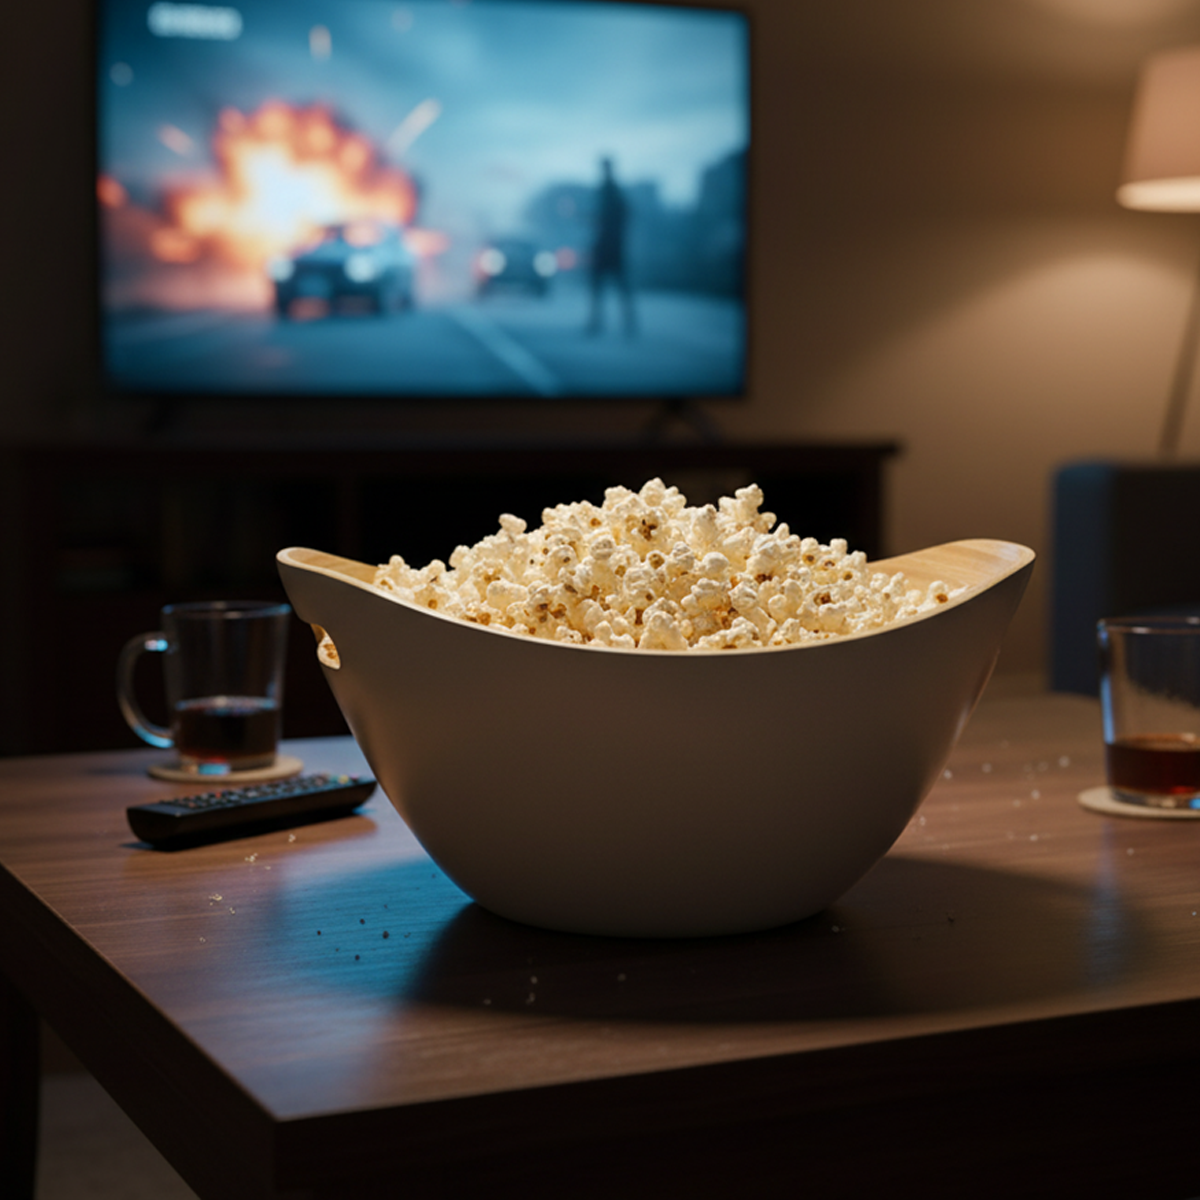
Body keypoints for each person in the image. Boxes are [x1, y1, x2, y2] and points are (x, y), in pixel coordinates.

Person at [586, 156, 636, 336]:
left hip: (610, 246)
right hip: (609, 246)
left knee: (613, 287)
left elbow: (611, 218)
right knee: (606, 287)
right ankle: (602, 323)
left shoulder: (611, 192)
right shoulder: (610, 191)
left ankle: (625, 324)